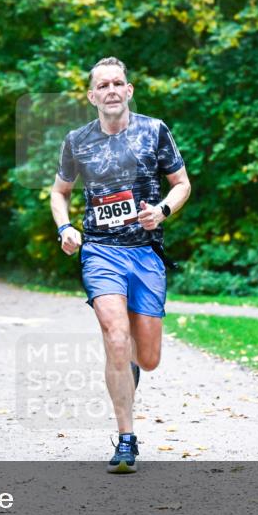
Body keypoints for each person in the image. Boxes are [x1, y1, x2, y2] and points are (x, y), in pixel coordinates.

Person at [50, 57, 191, 473]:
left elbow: (182, 184)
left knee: (147, 358)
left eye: (119, 83)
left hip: (146, 252)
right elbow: (60, 193)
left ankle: (128, 369)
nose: (112, 90)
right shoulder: (77, 141)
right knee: (115, 336)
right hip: (101, 251)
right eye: (103, 85)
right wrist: (65, 229)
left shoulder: (155, 130)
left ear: (128, 90)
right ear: (92, 96)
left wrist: (162, 210)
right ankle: (126, 438)